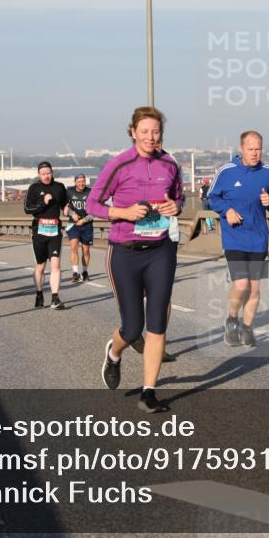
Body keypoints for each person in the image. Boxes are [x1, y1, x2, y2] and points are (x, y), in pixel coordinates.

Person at [88, 106, 184, 414]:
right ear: (133, 132)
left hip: (161, 250)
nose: (150, 137)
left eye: (155, 132)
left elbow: (179, 198)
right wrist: (123, 213)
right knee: (132, 328)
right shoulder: (119, 165)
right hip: (125, 252)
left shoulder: (170, 164)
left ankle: (149, 393)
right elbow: (93, 203)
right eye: (144, 131)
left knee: (157, 324)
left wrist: (175, 207)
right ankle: (114, 353)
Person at [207, 130, 269, 348]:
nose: (255, 153)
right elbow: (211, 198)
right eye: (250, 149)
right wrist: (226, 210)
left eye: (258, 149)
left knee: (255, 289)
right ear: (241, 149)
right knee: (241, 285)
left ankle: (247, 328)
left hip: (258, 239)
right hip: (234, 238)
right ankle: (231, 319)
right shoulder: (227, 172)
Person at [23, 161, 69, 309]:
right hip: (39, 230)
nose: (46, 176)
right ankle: (39, 293)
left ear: (52, 172)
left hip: (55, 230)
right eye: (43, 174)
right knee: (41, 266)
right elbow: (27, 209)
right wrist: (43, 202)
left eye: (48, 173)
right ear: (39, 175)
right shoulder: (34, 188)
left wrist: (68, 210)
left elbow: (64, 205)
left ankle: (55, 298)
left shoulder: (60, 187)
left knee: (55, 264)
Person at [66, 174, 93, 283]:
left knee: (86, 251)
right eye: (79, 181)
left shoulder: (90, 192)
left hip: (87, 224)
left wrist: (84, 220)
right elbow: (65, 207)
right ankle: (75, 272)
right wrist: (72, 214)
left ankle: (85, 272)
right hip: (74, 224)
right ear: (75, 182)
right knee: (74, 247)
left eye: (83, 181)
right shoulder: (69, 191)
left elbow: (94, 210)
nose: (81, 183)